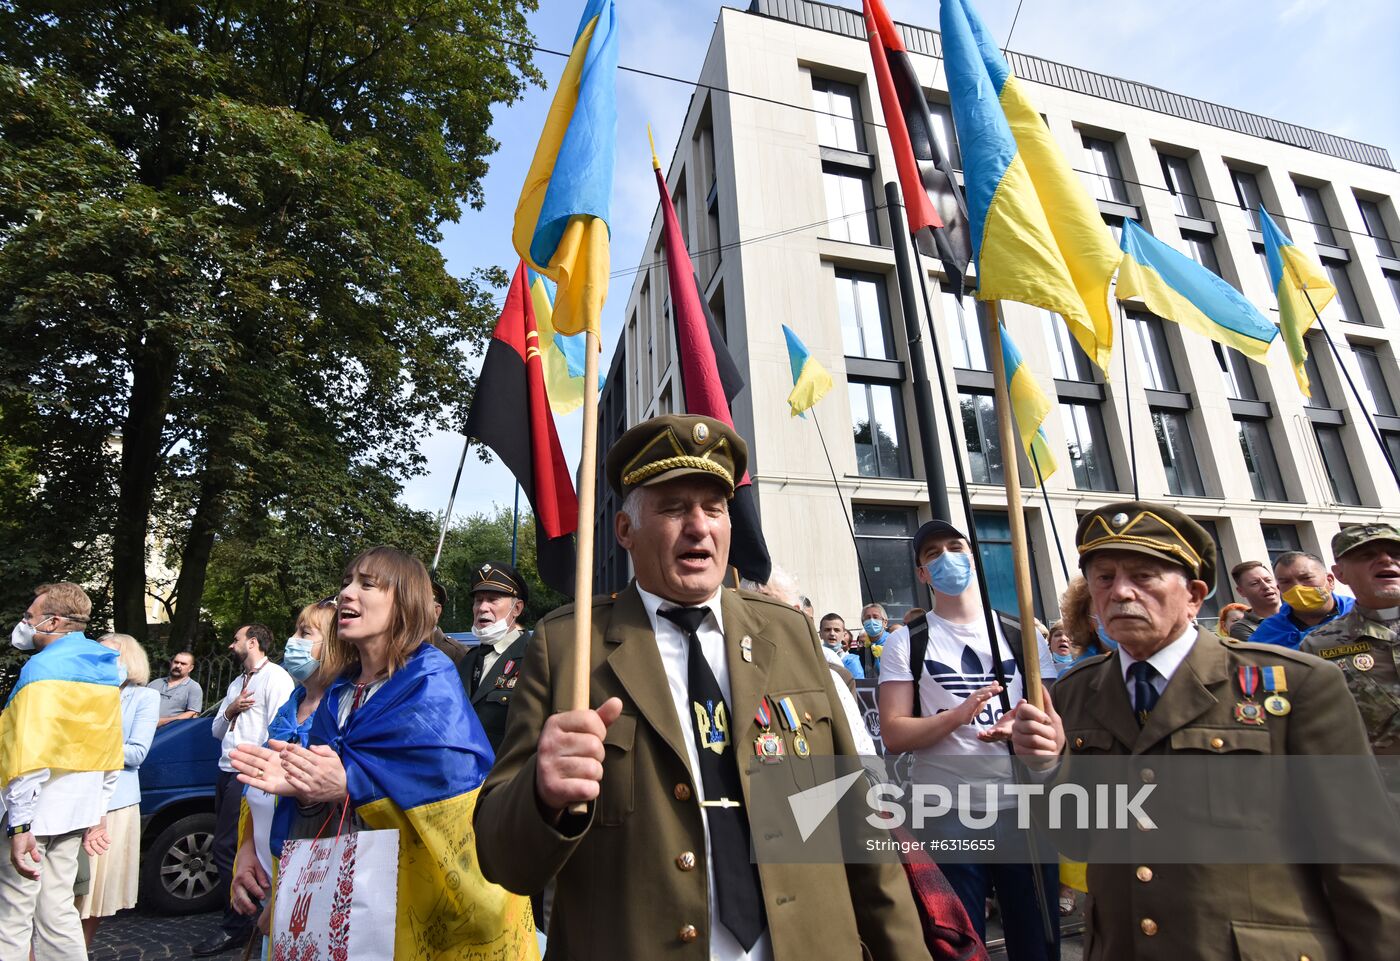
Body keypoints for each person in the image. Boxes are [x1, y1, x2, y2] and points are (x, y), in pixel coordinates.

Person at [475, 414, 930, 960]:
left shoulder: (788, 633)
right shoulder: (568, 648)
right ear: (625, 531)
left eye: (714, 509)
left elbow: (859, 823)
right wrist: (542, 795)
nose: (699, 527)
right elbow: (503, 860)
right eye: (673, 508)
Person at [1008, 501, 1400, 959]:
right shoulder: (1075, 692)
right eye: (1104, 578)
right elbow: (1079, 839)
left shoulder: (1298, 684)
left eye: (1143, 576)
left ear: (1194, 594)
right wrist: (1046, 769)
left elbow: (1360, 861)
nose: (1121, 592)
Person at [230, 547, 536, 960]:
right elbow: (316, 803)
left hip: (419, 906)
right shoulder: (338, 693)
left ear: (405, 603)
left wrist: (349, 784)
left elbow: (451, 800)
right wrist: (294, 792)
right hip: (349, 901)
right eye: (346, 583)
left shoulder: (429, 681)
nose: (346, 596)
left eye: (367, 585)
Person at [878, 518, 1059, 961]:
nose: (946, 559)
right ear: (922, 574)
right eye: (932, 554)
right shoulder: (906, 642)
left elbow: (1058, 726)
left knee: (1038, 940)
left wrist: (1029, 733)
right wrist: (959, 716)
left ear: (972, 556)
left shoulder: (1025, 635)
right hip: (946, 812)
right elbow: (895, 732)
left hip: (1024, 810)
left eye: (955, 547)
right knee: (958, 944)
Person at [0, 582, 122, 961]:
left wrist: (19, 826)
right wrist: (98, 815)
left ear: (53, 621)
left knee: (12, 917)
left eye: (30, 617)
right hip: (77, 811)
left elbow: (29, 753)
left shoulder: (42, 669)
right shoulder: (104, 667)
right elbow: (108, 750)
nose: (25, 624)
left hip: (34, 815)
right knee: (58, 913)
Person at [227, 599, 336, 953]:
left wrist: (287, 897)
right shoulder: (293, 703)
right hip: (270, 877)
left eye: (305, 633)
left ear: (335, 644)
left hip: (308, 892)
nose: (293, 641)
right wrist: (245, 852)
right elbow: (259, 787)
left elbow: (334, 820)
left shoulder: (343, 713)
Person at [194, 624, 294, 958]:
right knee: (223, 849)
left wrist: (263, 772)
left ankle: (240, 921)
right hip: (225, 770)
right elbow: (216, 730)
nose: (230, 644)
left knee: (230, 848)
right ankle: (243, 913)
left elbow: (281, 730)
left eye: (236, 639)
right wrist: (231, 709)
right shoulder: (237, 682)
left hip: (250, 774)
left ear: (252, 643)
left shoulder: (276, 678)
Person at [77, 634, 159, 944]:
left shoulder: (144, 698)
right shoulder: (84, 693)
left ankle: (78, 950)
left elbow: (137, 752)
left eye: (109, 655)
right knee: (64, 889)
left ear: (129, 660)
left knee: (92, 895)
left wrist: (89, 746)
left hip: (113, 804)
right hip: (75, 798)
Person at [1301, 523, 1400, 754]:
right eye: (1366, 555)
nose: (1386, 560)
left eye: (1396, 554)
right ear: (1339, 574)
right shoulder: (1318, 645)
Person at [455, 561, 532, 753]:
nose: (482, 608)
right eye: (478, 600)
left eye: (492, 599)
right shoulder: (467, 660)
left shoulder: (535, 658)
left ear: (516, 609)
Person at [1250, 550, 1355, 649]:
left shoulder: (1359, 613)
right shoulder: (1267, 634)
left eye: (1306, 578)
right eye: (1286, 582)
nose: (1297, 587)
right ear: (1279, 588)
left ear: (1330, 581)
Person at [1227, 560, 1280, 640]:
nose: (1266, 586)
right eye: (1255, 583)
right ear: (1241, 591)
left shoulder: (1298, 612)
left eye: (1268, 580)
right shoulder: (1242, 629)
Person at [148, 651, 203, 726]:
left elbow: (192, 714)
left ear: (190, 668)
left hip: (169, 732)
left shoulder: (193, 687)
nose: (178, 666)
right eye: (176, 662)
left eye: (183, 664)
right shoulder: (155, 683)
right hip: (144, 730)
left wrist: (160, 722)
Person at [818, 613, 865, 678]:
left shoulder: (851, 661)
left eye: (836, 630)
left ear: (844, 635)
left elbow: (858, 687)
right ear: (820, 634)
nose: (832, 633)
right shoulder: (813, 658)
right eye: (827, 630)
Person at [860, 603, 891, 675]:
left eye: (875, 617)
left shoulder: (894, 644)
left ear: (885, 622)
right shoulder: (863, 649)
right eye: (868, 617)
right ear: (863, 623)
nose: (871, 620)